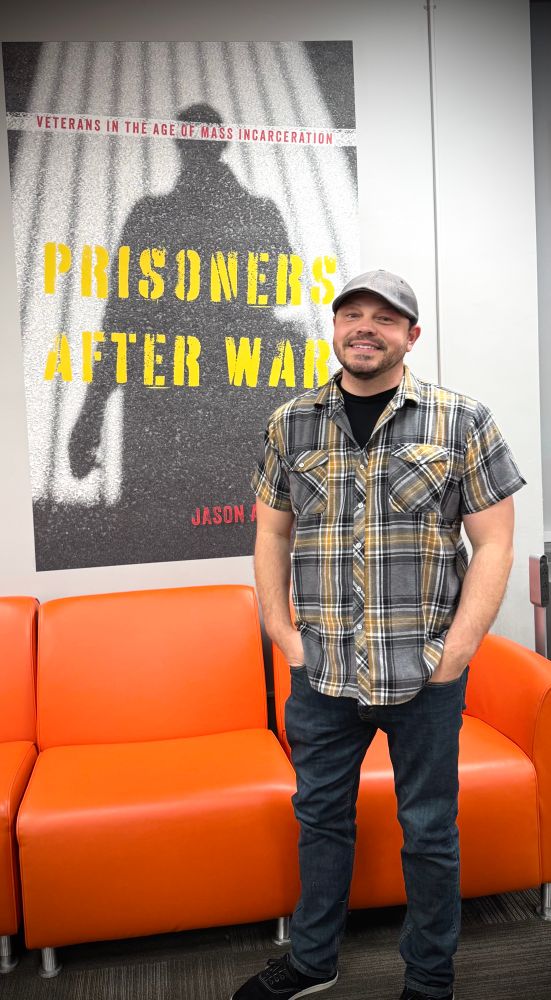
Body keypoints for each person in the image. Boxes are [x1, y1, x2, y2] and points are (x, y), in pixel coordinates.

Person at [232, 269, 525, 1000]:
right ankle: (312, 961)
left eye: (384, 318)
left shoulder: (462, 420)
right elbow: (271, 532)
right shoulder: (289, 421)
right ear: (334, 330)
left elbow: (493, 544)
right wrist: (280, 630)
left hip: (424, 673)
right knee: (320, 822)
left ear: (410, 336)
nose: (365, 327)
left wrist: (455, 654)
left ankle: (428, 981)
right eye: (351, 314)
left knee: (429, 833)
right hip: (322, 673)